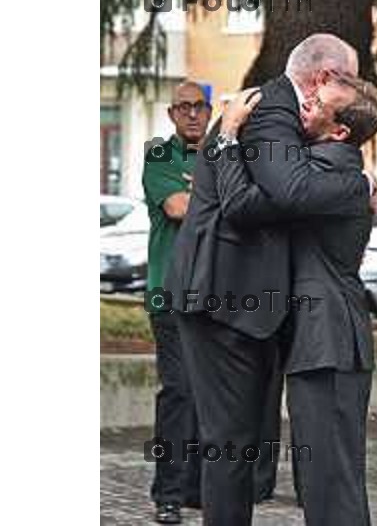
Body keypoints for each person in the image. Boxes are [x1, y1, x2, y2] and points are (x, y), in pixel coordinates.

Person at [165, 33, 374, 525]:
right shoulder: (268, 112)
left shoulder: (314, 138)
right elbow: (281, 193)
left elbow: (294, 195)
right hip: (220, 300)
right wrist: (225, 141)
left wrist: (351, 182)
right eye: (346, 78)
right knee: (231, 442)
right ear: (325, 77)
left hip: (258, 309)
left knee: (251, 445)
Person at [213, 73, 377, 525]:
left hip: (329, 339)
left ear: (341, 131)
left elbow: (256, 199)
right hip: (320, 341)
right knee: (324, 478)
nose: (304, 103)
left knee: (331, 482)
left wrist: (229, 136)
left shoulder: (336, 178)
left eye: (318, 102)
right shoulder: (335, 170)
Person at [142, 81, 210, 524]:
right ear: (171, 115)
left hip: (214, 297)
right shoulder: (160, 155)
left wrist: (202, 188)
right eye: (182, 108)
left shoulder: (223, 154)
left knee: (209, 398)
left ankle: (198, 490)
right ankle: (167, 493)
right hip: (169, 295)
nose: (191, 114)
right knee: (180, 394)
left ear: (208, 112)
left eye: (198, 107)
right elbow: (178, 207)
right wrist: (212, 191)